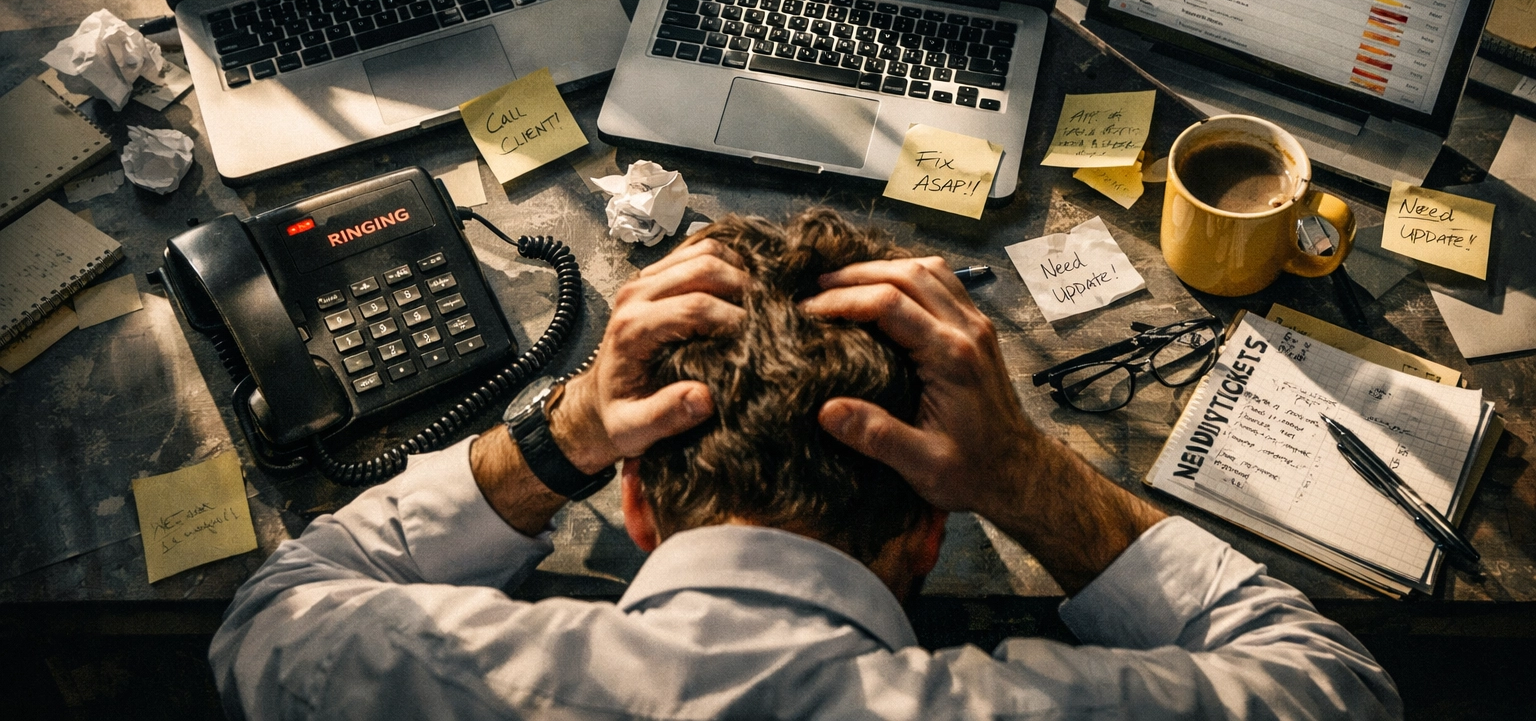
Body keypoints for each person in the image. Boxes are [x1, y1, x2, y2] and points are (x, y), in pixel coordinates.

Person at [210, 208, 1402, 720]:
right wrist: (1026, 475)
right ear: (928, 532)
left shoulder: (416, 674)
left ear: (632, 496)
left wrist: (563, 427)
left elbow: (267, 611)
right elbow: (1338, 684)